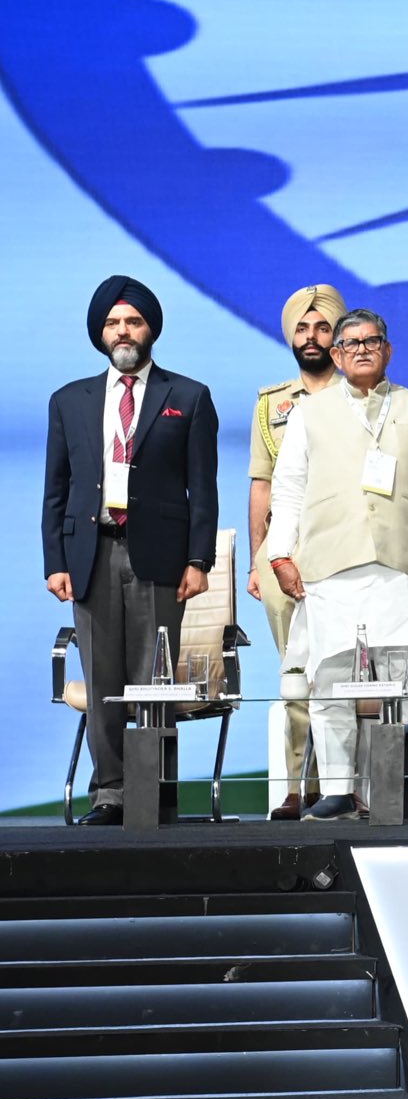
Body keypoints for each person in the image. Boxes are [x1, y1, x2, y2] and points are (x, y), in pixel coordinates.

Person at [265, 308, 408, 821]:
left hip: (403, 565)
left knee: (402, 679)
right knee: (331, 679)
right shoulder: (309, 412)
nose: (360, 350)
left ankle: (397, 783)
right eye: (349, 343)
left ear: (388, 350)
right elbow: (286, 491)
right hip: (330, 567)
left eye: (371, 341)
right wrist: (280, 555)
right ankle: (336, 788)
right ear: (336, 354)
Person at [43, 276, 220, 826]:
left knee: (155, 679)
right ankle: (111, 792)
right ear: (101, 332)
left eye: (134, 321)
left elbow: (203, 488)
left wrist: (199, 560)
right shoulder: (70, 400)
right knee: (104, 680)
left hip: (162, 557)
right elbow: (56, 488)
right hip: (91, 554)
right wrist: (55, 561)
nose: (124, 331)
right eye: (114, 322)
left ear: (151, 330)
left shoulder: (187, 396)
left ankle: (156, 790)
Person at [247, 284, 345, 820]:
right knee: (293, 672)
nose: (311, 337)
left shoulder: (360, 395)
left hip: (342, 549)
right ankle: (296, 786)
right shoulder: (272, 404)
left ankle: (343, 783)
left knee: (337, 669)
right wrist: (258, 561)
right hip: (282, 552)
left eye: (322, 328)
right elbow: (260, 486)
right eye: (302, 329)